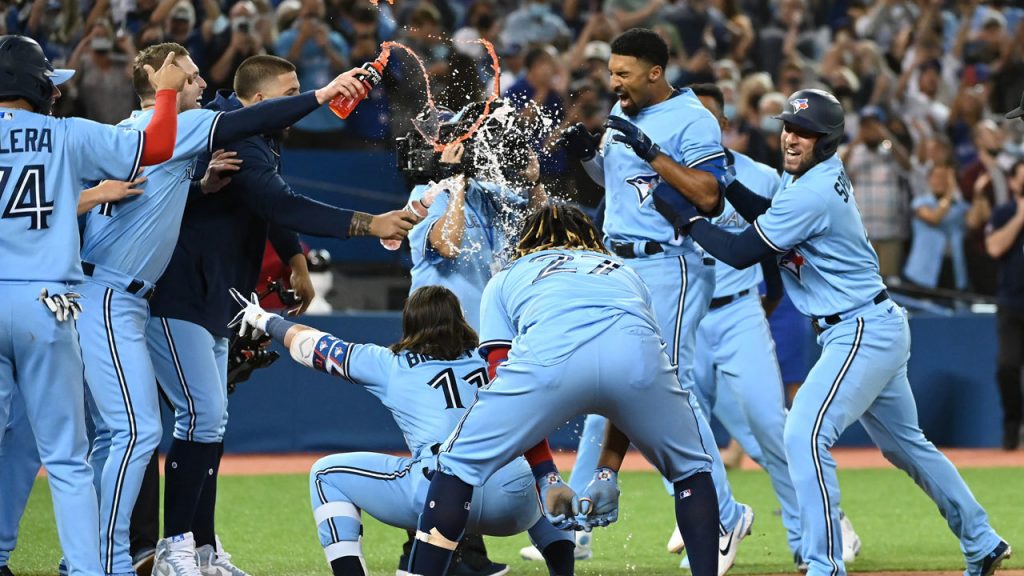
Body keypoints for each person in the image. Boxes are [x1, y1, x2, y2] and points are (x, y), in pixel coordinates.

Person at [673, 88, 1011, 576]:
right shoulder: (806, 179)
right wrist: (724, 182)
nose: (791, 137)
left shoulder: (811, 191)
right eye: (789, 126)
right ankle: (980, 540)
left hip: (859, 329)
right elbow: (763, 212)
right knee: (906, 446)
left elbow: (743, 251)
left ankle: (823, 564)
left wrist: (687, 219)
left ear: (828, 141)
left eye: (805, 132)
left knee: (804, 434)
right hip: (868, 325)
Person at [75, 41, 371, 576]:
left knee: (168, 425)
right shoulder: (182, 125)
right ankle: (132, 556)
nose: (203, 89)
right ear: (166, 85)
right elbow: (275, 196)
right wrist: (324, 95)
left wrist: (201, 186)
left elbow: (179, 184)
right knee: (132, 432)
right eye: (190, 79)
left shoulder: (161, 132)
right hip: (128, 293)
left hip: (146, 294)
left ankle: (183, 550)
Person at [142, 53, 420, 576]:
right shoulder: (233, 135)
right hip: (179, 293)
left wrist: (294, 258)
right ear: (264, 101)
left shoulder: (257, 136)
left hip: (214, 293)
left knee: (210, 422)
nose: (301, 100)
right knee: (196, 418)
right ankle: (173, 549)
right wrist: (369, 222)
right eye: (291, 91)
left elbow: (266, 206)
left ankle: (201, 550)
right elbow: (282, 201)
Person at [399, 204, 721, 576]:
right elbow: (632, 376)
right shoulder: (626, 273)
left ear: (527, 239)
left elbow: (499, 372)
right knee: (692, 472)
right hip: (638, 361)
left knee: (455, 468)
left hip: (550, 362)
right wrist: (607, 472)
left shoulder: (507, 277)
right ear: (589, 237)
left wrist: (547, 476)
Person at [556, 28, 753, 572]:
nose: (613, 81)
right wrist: (584, 161)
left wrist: (652, 151)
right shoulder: (625, 115)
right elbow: (617, 186)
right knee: (615, 386)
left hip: (670, 263)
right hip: (617, 260)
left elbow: (709, 196)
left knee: (671, 389)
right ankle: (586, 516)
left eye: (622, 73)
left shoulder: (692, 118)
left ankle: (724, 514)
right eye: (611, 72)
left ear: (654, 73)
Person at [227, 285, 575, 576]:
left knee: (325, 473)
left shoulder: (390, 363)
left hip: (439, 492)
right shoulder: (497, 360)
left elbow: (314, 346)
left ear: (408, 323)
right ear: (460, 320)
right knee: (541, 474)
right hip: (512, 499)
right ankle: (563, 568)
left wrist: (265, 319)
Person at [0, 34, 186, 576]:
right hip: (47, 303)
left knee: (15, 444)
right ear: (38, 88)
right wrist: (168, 94)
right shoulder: (65, 134)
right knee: (66, 458)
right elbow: (155, 147)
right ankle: (87, 570)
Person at [984, 160, 1024, 451]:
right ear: (1012, 183)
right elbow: (995, 247)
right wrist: (1020, 218)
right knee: (1007, 367)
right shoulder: (1003, 213)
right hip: (1012, 303)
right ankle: (1012, 427)